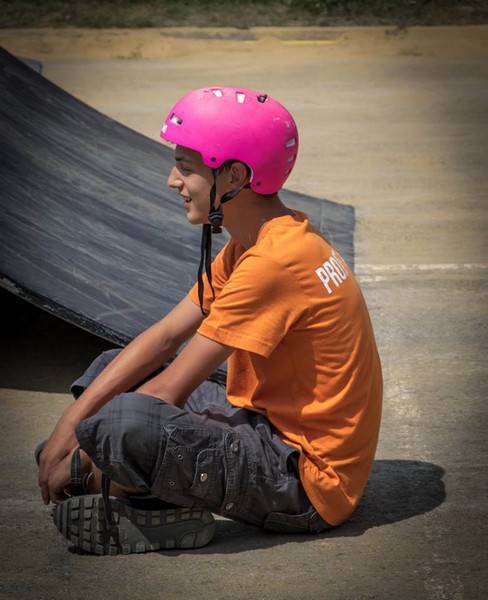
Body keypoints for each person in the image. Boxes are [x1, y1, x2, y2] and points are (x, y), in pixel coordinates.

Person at [37, 86, 382, 555]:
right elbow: (164, 338)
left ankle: (126, 496)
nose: (171, 181)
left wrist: (76, 462)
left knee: (127, 420)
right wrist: (70, 429)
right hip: (267, 429)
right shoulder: (263, 240)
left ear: (235, 175)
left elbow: (168, 390)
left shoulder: (275, 263)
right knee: (114, 369)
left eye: (185, 167)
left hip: (305, 483)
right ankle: (129, 484)